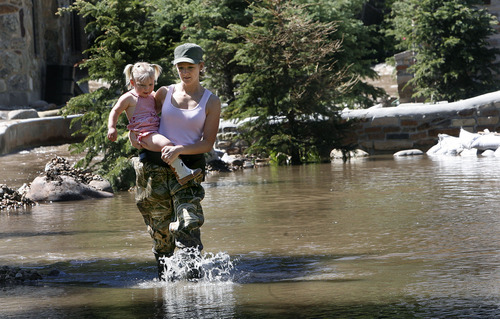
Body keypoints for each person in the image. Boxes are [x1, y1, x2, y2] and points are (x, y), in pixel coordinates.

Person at [130, 44, 221, 281]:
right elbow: (143, 118)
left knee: (188, 224)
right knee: (160, 232)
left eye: (190, 67)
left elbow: (208, 143)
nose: (185, 72)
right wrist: (135, 136)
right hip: (155, 169)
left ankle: (194, 284)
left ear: (201, 67)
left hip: (188, 171)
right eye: (180, 67)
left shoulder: (211, 101)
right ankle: (165, 285)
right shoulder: (163, 93)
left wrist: (180, 149)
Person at [107, 62, 202, 185]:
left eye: (150, 84)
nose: (147, 89)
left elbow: (154, 111)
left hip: (156, 130)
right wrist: (112, 128)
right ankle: (182, 173)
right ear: (132, 83)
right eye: (142, 85)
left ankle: (183, 169)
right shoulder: (129, 98)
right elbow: (115, 111)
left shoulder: (152, 95)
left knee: (176, 140)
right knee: (167, 144)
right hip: (145, 134)